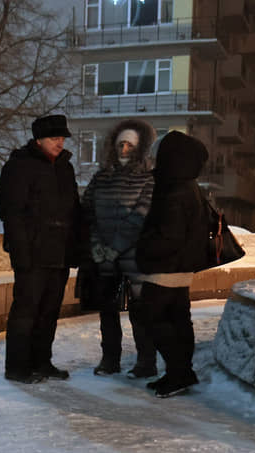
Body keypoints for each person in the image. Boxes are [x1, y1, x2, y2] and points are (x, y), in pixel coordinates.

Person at [0, 114, 82, 383]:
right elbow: (12, 214)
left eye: (62, 138)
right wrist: (21, 252)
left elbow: (74, 209)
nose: (60, 143)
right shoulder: (20, 166)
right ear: (39, 140)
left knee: (49, 311)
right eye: (54, 138)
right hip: (32, 253)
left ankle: (42, 362)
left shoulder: (64, 168)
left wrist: (76, 246)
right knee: (26, 311)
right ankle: (18, 367)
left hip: (59, 252)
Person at [134, 131, 210, 398]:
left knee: (153, 318)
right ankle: (180, 372)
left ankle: (179, 373)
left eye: (159, 156)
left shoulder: (174, 190)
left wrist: (142, 250)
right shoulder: (189, 186)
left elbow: (169, 235)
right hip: (180, 267)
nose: (154, 161)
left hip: (164, 268)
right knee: (179, 319)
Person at [81, 119, 158, 378]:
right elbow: (87, 212)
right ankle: (109, 359)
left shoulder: (148, 179)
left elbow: (141, 216)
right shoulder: (101, 178)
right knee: (108, 311)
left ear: (139, 148)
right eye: (120, 144)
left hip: (134, 257)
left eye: (129, 145)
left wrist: (115, 247)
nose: (124, 149)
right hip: (103, 256)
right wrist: (97, 246)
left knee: (140, 311)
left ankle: (146, 361)